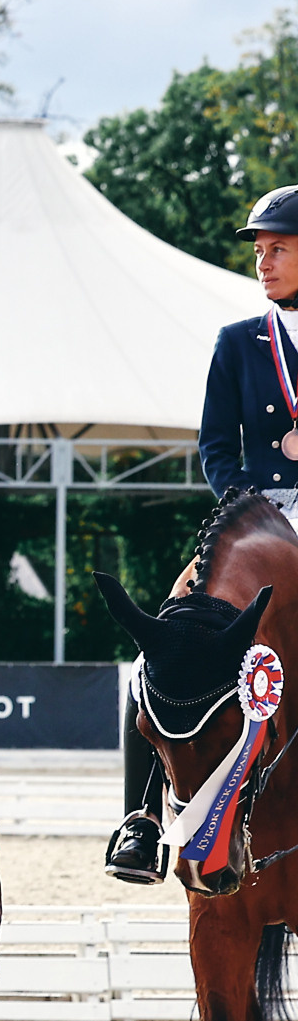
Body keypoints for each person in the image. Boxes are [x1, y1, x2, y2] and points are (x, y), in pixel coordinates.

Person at [109, 183, 298, 880]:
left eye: (279, 247)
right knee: (154, 655)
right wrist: (248, 507)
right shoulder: (239, 343)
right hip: (254, 520)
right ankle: (142, 819)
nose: (264, 260)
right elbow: (216, 444)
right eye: (260, 249)